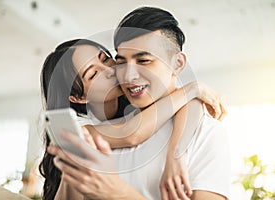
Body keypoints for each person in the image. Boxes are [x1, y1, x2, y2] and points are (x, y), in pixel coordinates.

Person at [47, 6, 231, 200]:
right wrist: (193, 89)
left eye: (143, 60)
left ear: (178, 64)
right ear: (78, 97)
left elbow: (184, 107)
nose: (127, 74)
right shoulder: (87, 130)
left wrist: (176, 153)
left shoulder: (204, 131)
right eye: (122, 62)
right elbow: (132, 133)